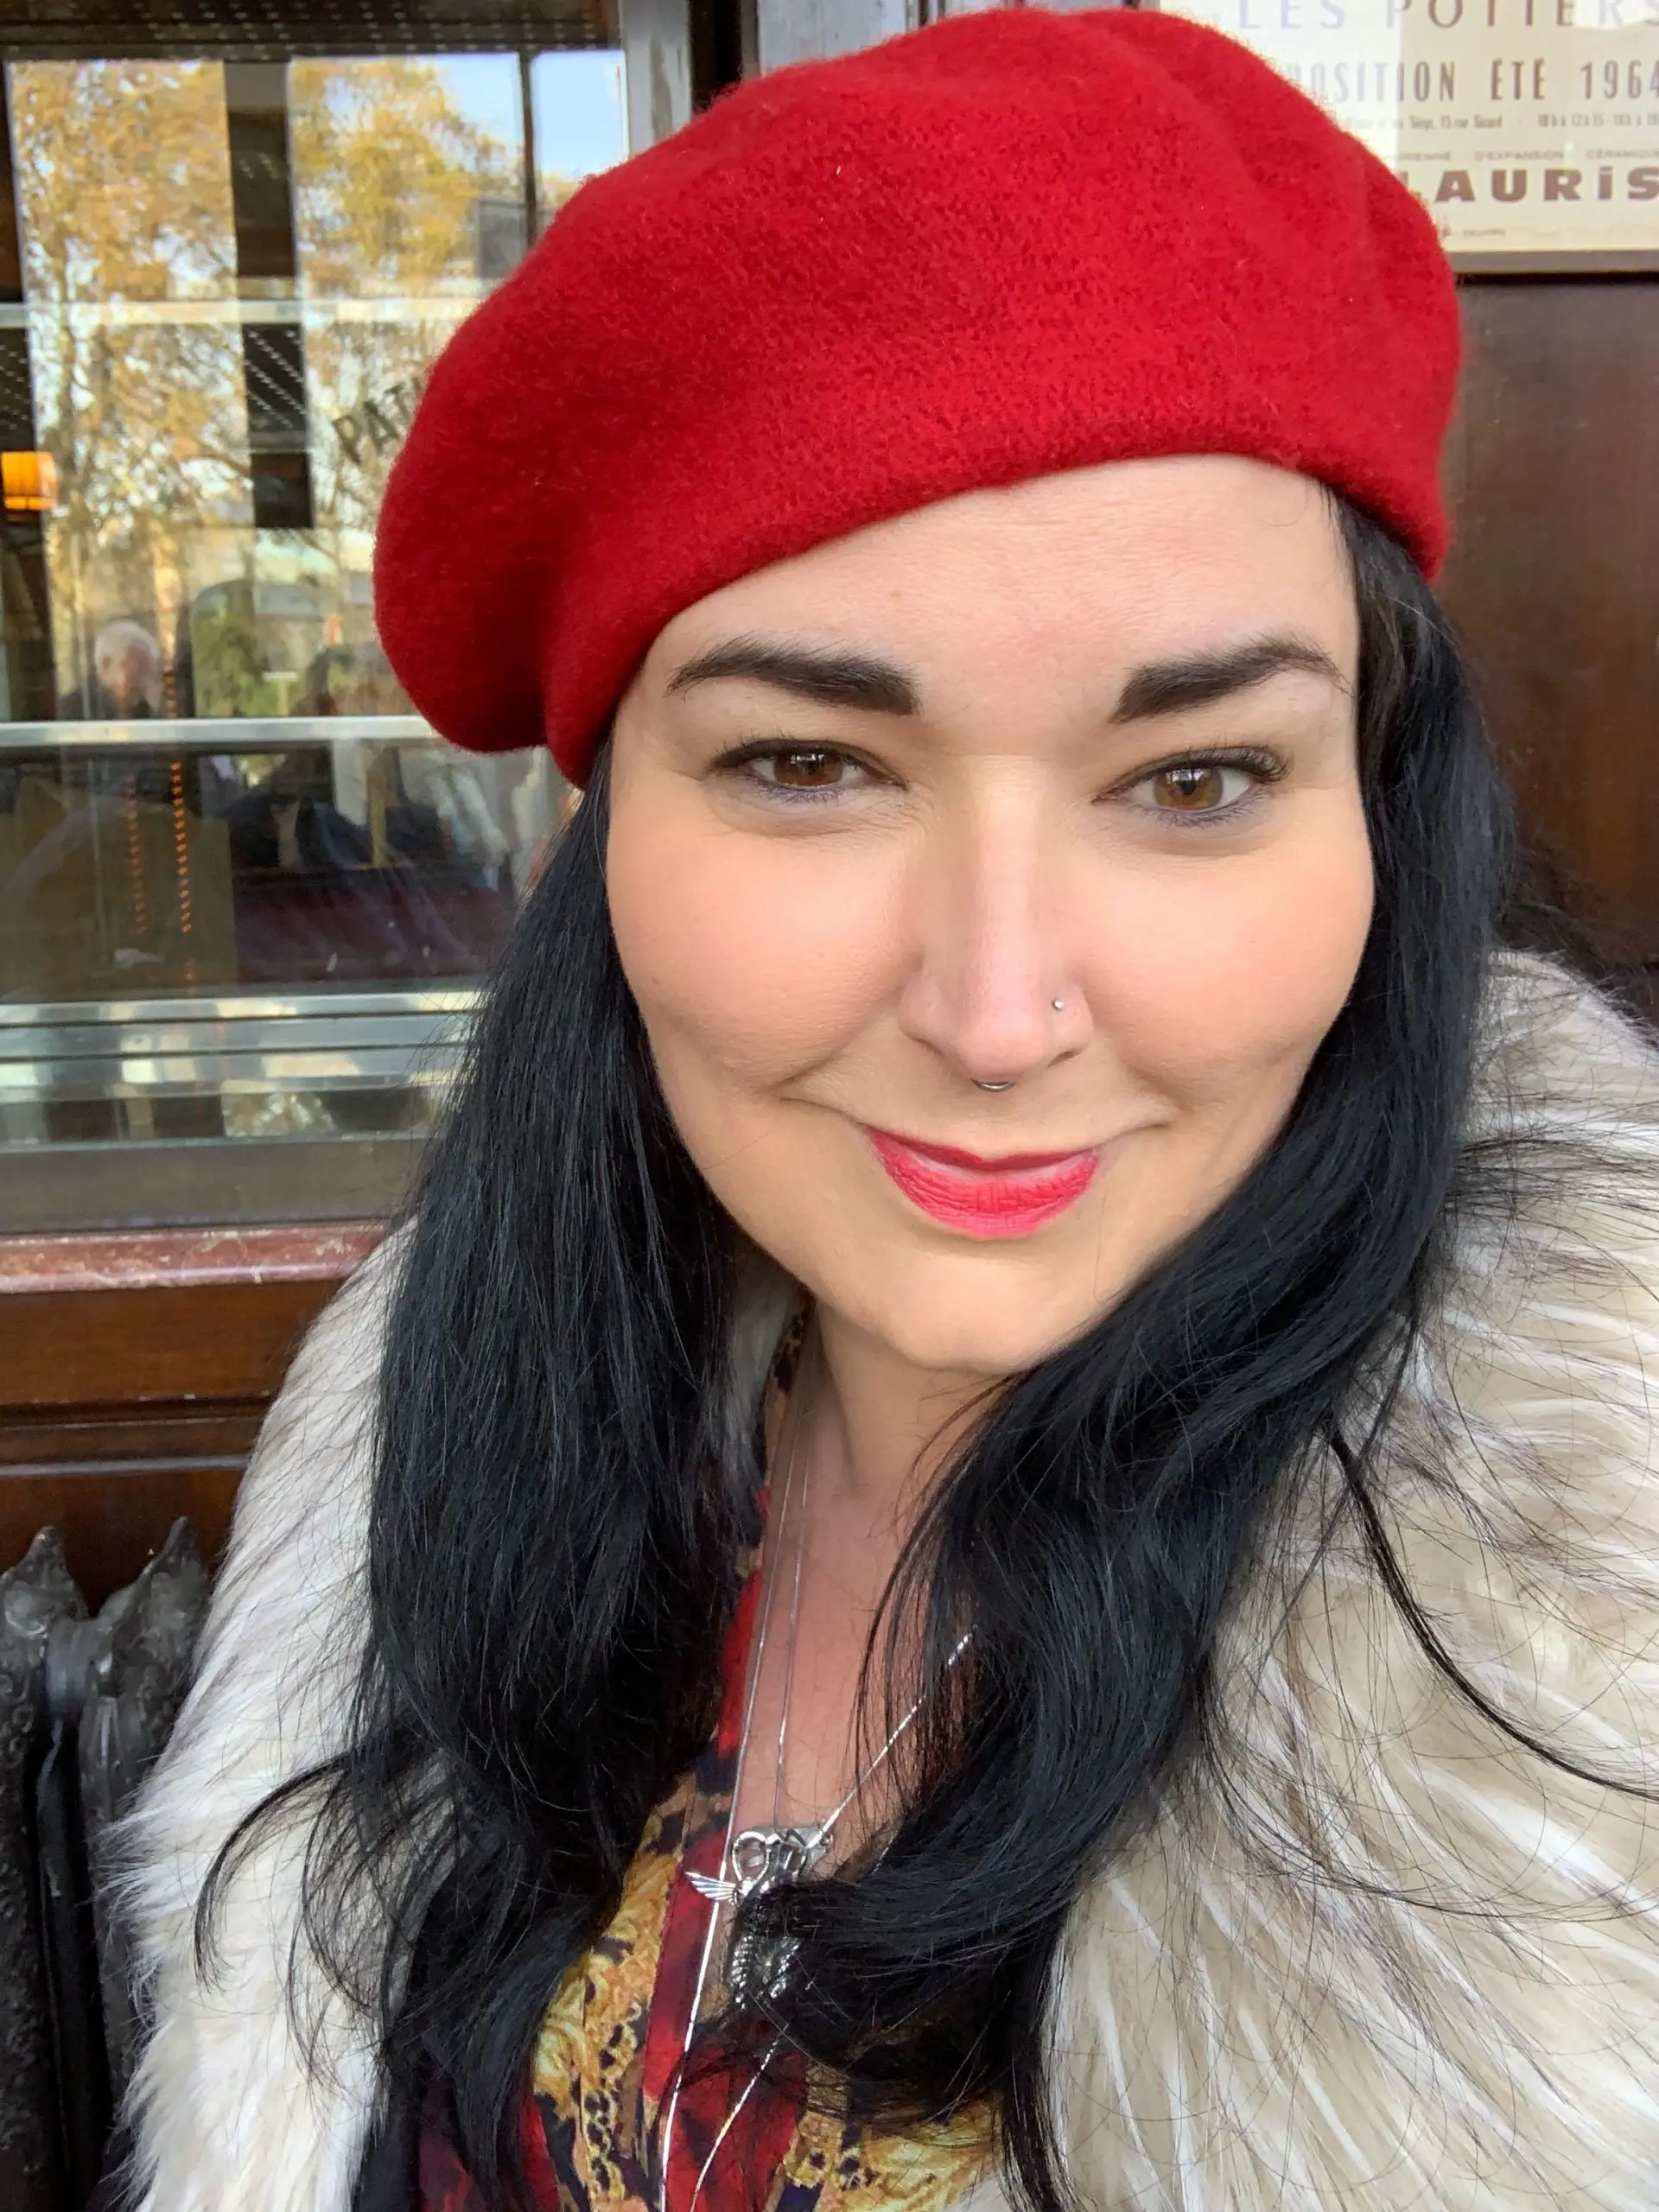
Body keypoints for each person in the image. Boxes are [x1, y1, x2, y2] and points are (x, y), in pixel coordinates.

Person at [118, 13, 1659, 2212]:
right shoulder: (436, 1437)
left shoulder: (1597, 1627)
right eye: (806, 764)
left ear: (1382, 828)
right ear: (591, 850)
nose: (1002, 1006)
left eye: (1196, 778)